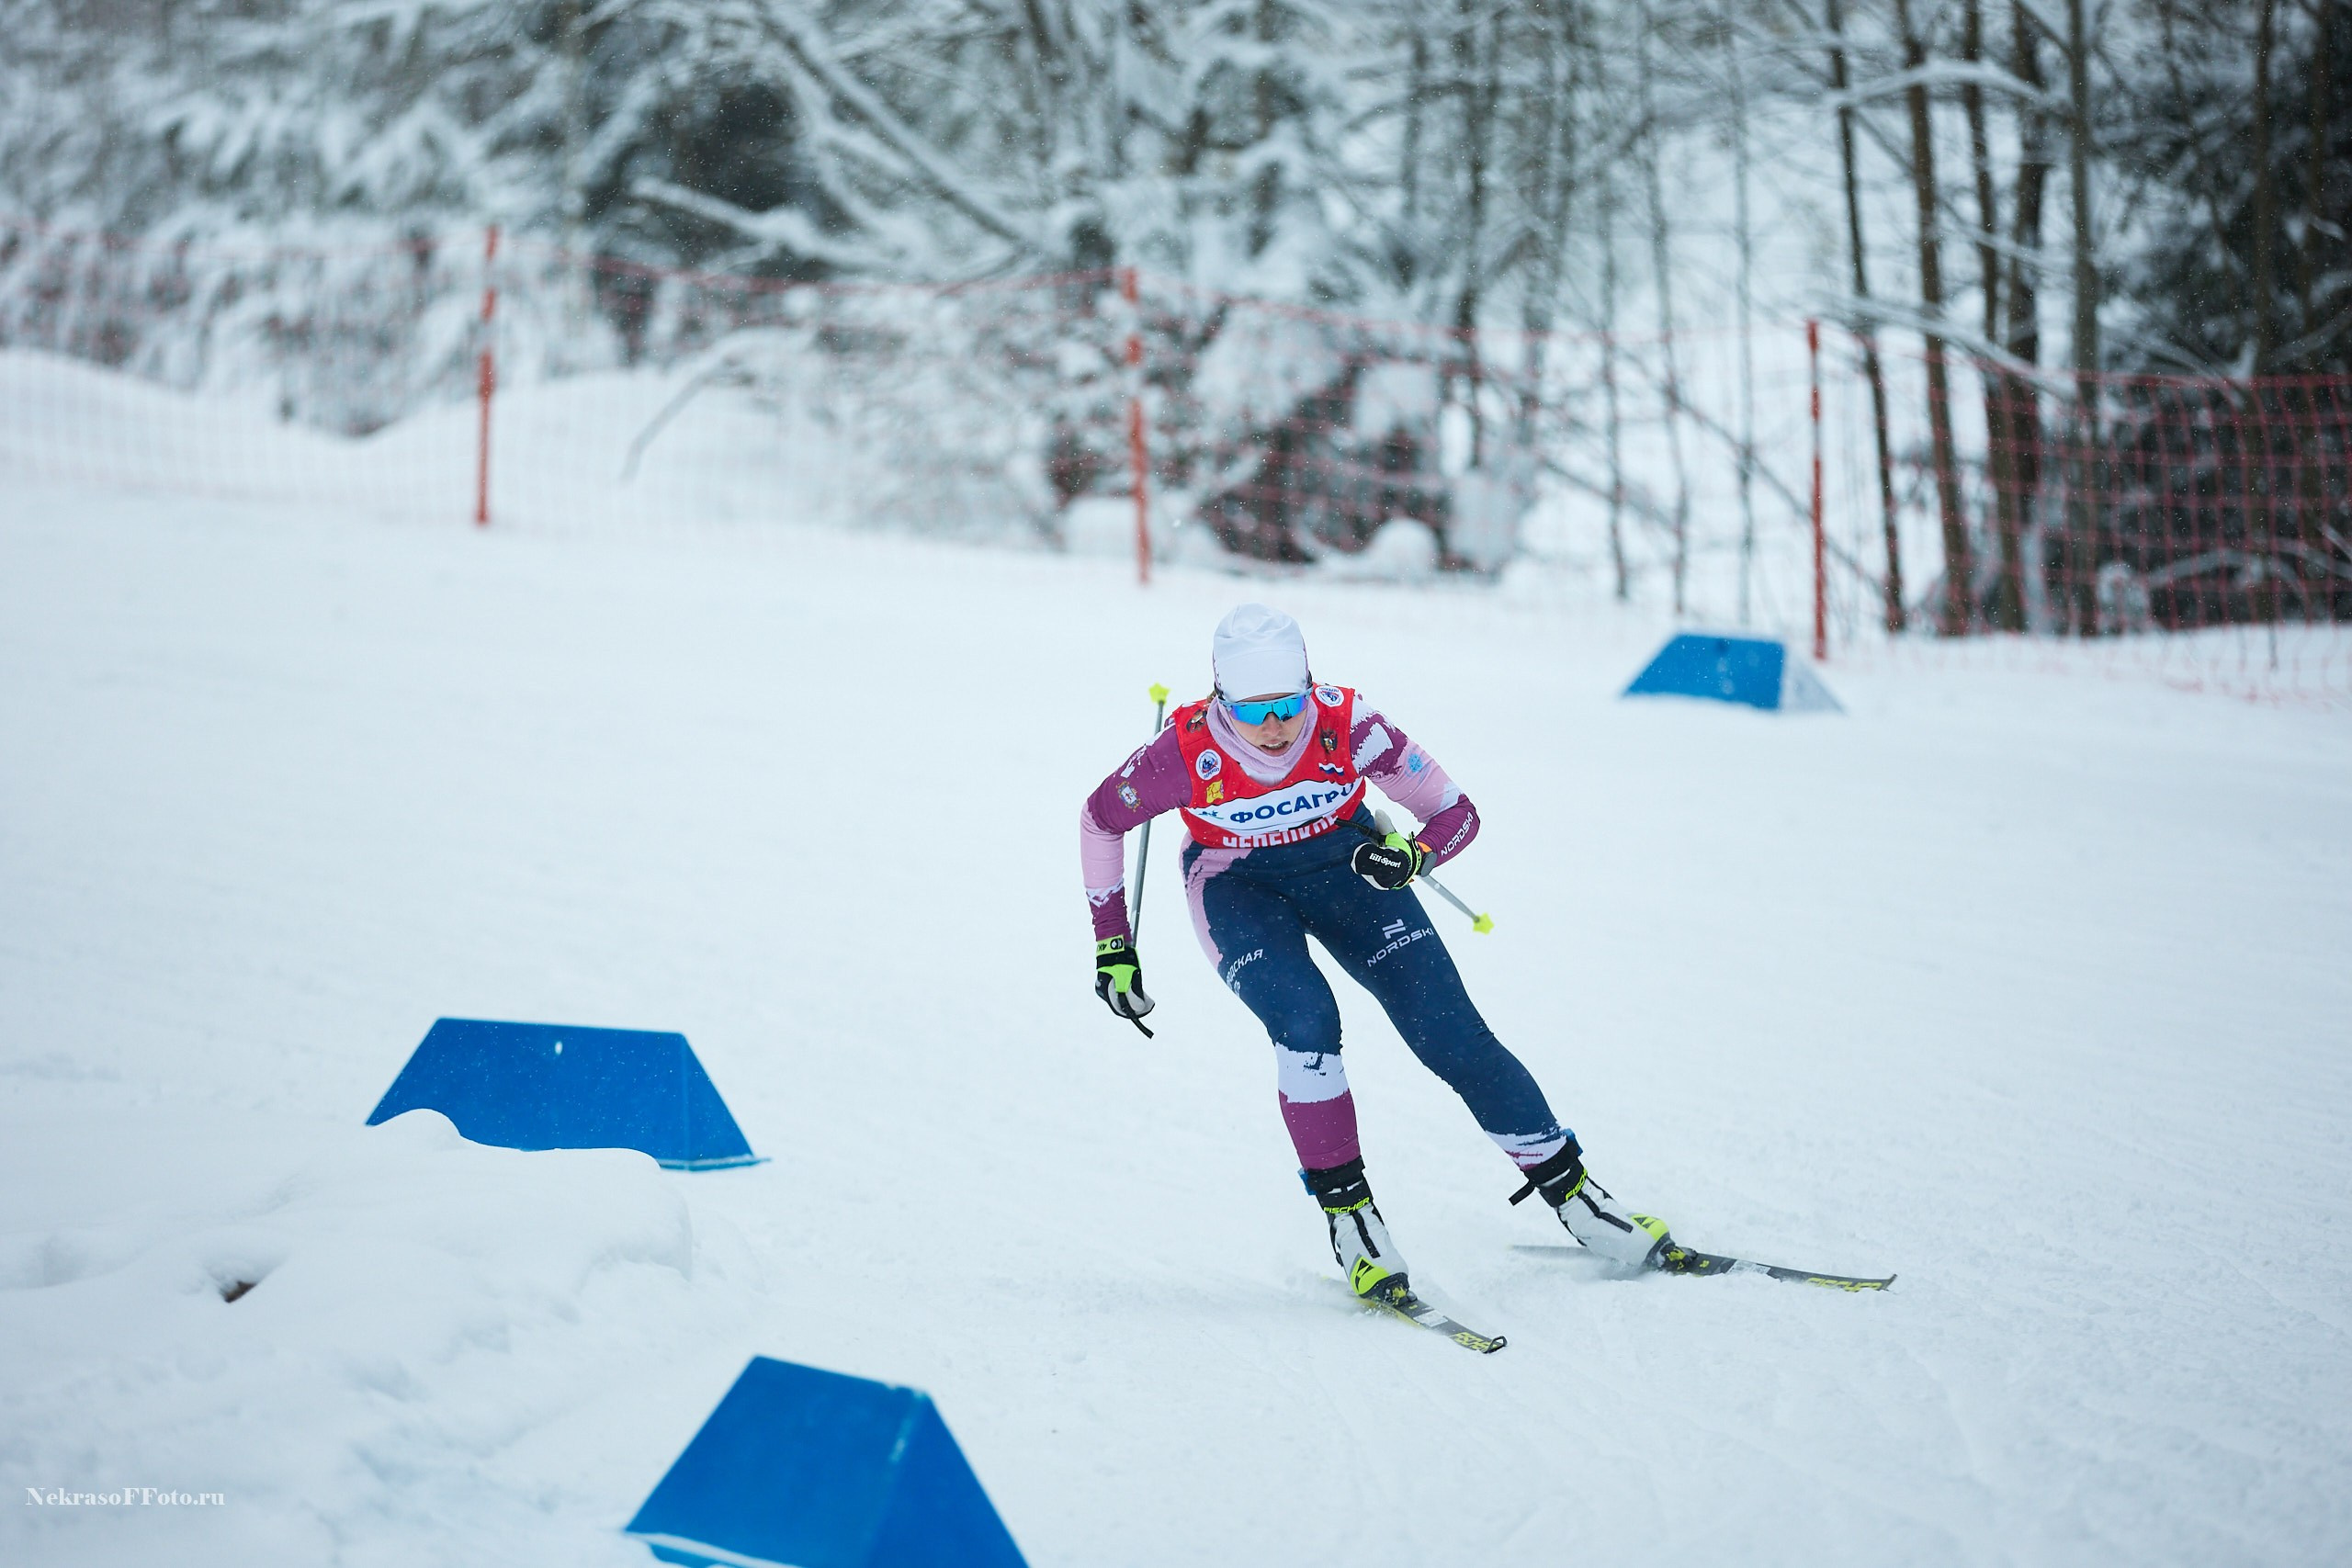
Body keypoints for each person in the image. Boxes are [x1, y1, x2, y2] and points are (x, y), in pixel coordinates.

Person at [1080, 603, 1687, 1304]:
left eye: (1287, 704)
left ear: (1309, 684)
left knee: (1453, 1033)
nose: (1273, 726)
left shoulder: (1348, 724)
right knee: (1306, 1023)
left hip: (1348, 870)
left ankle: (1578, 1198)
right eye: (1251, 711)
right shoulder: (1183, 751)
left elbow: (1455, 811)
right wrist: (1113, 946)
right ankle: (1353, 1221)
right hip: (1237, 887)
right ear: (1221, 699)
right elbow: (1099, 819)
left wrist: (1414, 855)